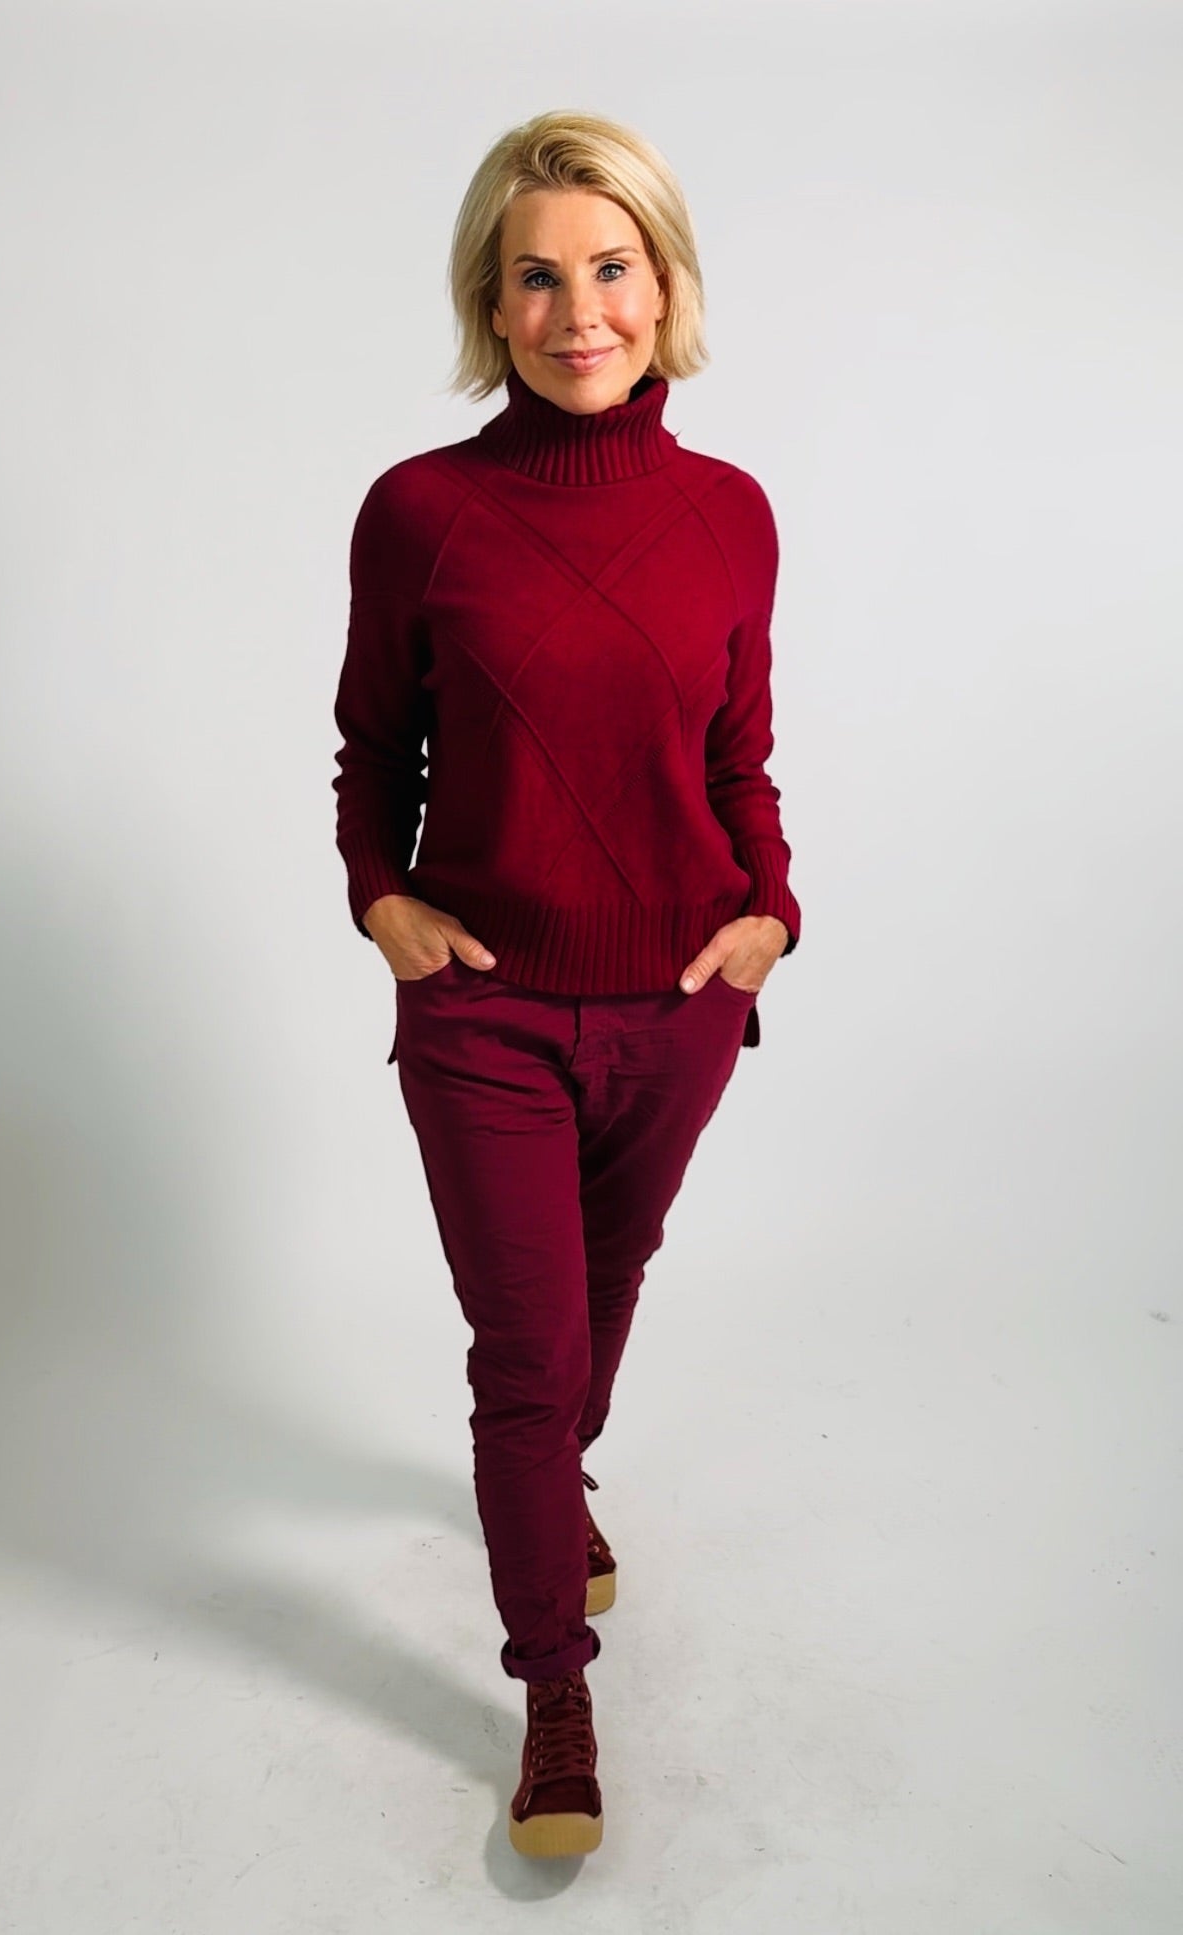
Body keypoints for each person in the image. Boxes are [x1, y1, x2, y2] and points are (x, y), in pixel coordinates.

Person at [331, 108, 802, 1858]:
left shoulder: (729, 515)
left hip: (678, 1007)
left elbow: (737, 759)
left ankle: (555, 1493)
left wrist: (772, 912)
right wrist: (382, 902)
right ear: (490, 303)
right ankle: (552, 1692)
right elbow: (373, 752)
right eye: (534, 277)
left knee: (605, 1295)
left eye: (611, 267)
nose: (577, 311)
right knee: (526, 1362)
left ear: (663, 284)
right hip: (487, 1015)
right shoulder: (422, 512)